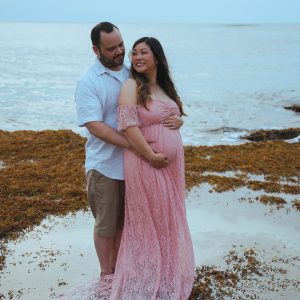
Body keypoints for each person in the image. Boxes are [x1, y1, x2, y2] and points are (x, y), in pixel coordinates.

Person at [75, 22, 183, 293]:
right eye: (112, 48)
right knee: (107, 224)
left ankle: (124, 269)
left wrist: (177, 119)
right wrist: (137, 147)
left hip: (136, 166)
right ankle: (106, 274)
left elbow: (156, 106)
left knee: (130, 224)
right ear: (95, 50)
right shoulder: (89, 82)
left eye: (122, 45)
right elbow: (94, 125)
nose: (121, 51)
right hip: (106, 165)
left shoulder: (131, 72)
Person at [110, 37, 195, 299]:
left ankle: (167, 273)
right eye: (134, 53)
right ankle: (145, 277)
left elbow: (170, 112)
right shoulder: (130, 85)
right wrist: (150, 156)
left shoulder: (162, 86)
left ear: (156, 57)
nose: (137, 57)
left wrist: (179, 119)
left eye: (143, 52)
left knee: (167, 218)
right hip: (145, 161)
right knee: (150, 220)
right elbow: (128, 125)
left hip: (168, 165)